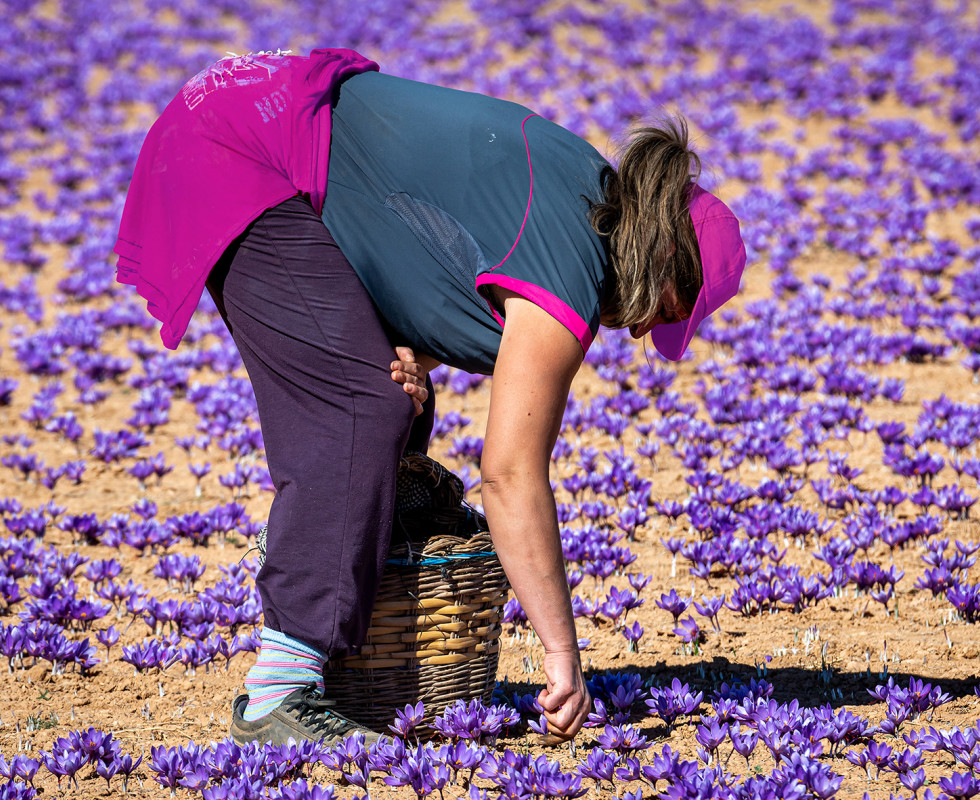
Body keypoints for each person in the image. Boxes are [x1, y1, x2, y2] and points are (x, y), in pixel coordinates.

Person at [114, 48, 745, 746]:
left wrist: (414, 346)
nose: (648, 331)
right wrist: (563, 657)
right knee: (361, 408)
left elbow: (431, 229)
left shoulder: (586, 193)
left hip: (256, 112)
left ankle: (359, 656)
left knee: (398, 398)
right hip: (240, 146)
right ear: (662, 262)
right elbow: (508, 476)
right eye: (673, 308)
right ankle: (278, 694)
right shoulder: (569, 273)